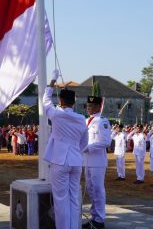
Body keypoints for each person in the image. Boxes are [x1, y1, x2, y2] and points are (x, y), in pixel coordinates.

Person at [43, 69, 88, 229]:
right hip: (76, 161)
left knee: (61, 199)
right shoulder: (82, 119)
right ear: (74, 102)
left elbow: (45, 100)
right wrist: (75, 151)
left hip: (60, 161)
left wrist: (52, 81)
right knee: (74, 198)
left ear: (61, 101)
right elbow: (84, 143)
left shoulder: (56, 114)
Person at [82, 94, 112, 229]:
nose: (88, 108)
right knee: (91, 190)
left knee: (98, 190)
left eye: (91, 106)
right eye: (88, 105)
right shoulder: (86, 121)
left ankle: (99, 220)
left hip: (97, 161)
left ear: (98, 107)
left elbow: (106, 142)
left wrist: (88, 148)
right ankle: (94, 218)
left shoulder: (102, 121)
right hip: (87, 161)